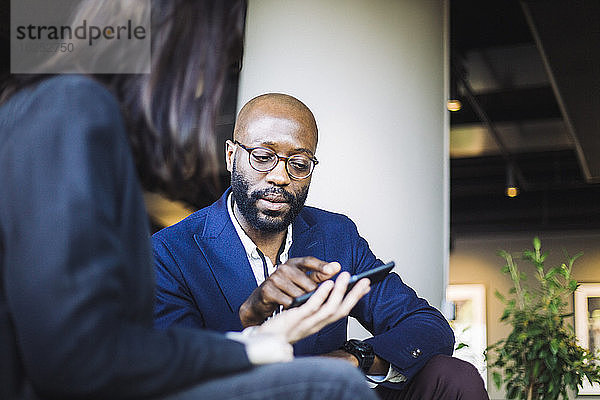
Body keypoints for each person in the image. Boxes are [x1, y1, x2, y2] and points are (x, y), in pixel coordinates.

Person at [0, 1, 379, 399]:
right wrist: (249, 347)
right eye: (215, 54)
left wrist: (262, 340)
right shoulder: (72, 108)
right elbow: (76, 357)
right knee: (331, 387)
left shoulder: (54, 108)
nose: (206, 82)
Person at [153, 93, 490, 400]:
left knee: (453, 376)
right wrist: (252, 322)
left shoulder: (335, 235)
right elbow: (180, 374)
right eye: (262, 156)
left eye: (299, 164)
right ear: (231, 156)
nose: (280, 177)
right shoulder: (169, 252)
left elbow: (428, 326)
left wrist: (354, 358)